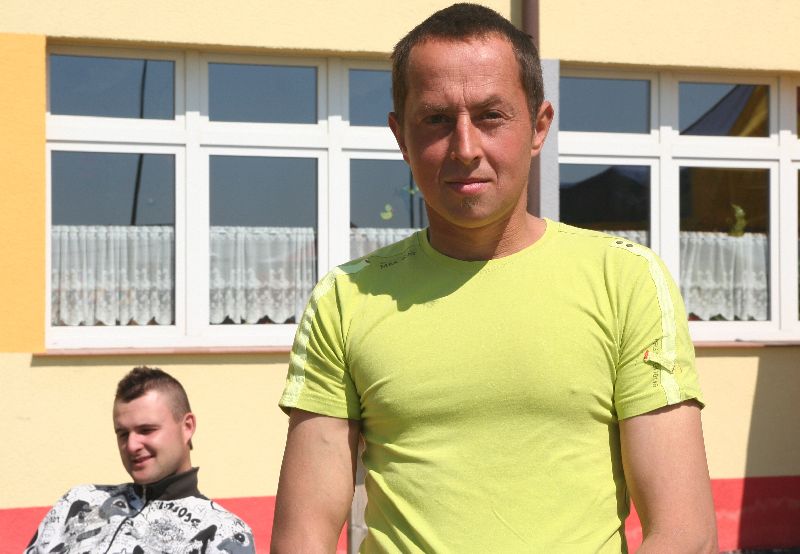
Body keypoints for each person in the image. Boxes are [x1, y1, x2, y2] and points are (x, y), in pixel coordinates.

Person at [272, 3, 718, 552]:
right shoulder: (346, 299)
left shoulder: (625, 281)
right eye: (437, 119)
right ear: (400, 136)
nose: (465, 148)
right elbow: (304, 536)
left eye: (490, 116)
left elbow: (684, 532)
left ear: (538, 126)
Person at [26, 366, 255, 553]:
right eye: (122, 433)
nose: (132, 445)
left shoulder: (222, 533)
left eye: (146, 430)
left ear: (187, 427)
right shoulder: (78, 501)